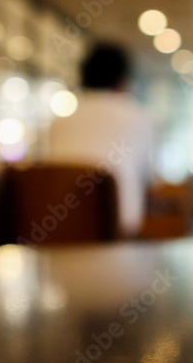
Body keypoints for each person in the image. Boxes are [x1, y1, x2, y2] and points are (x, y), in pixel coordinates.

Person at [47, 44, 154, 237]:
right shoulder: (138, 116)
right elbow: (149, 180)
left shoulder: (59, 120)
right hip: (120, 229)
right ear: (123, 81)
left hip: (58, 228)